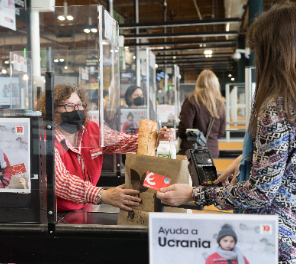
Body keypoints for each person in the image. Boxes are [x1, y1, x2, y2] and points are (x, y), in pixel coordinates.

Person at [157, 3, 296, 263]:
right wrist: (251, 156)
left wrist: (195, 194)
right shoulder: (289, 103)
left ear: (271, 52)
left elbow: (261, 192)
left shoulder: (273, 108)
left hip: (269, 238)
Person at [35, 84, 173, 212]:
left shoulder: (92, 129)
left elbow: (122, 141)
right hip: (53, 213)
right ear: (53, 110)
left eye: (79, 105)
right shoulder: (44, 138)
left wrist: (155, 139)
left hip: (87, 207)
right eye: (69, 106)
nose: (77, 110)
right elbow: (60, 181)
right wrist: (103, 195)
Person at [177, 70, 226, 158]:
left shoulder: (191, 100)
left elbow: (185, 127)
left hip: (191, 150)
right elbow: (221, 132)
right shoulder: (220, 104)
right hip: (212, 151)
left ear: (198, 82)